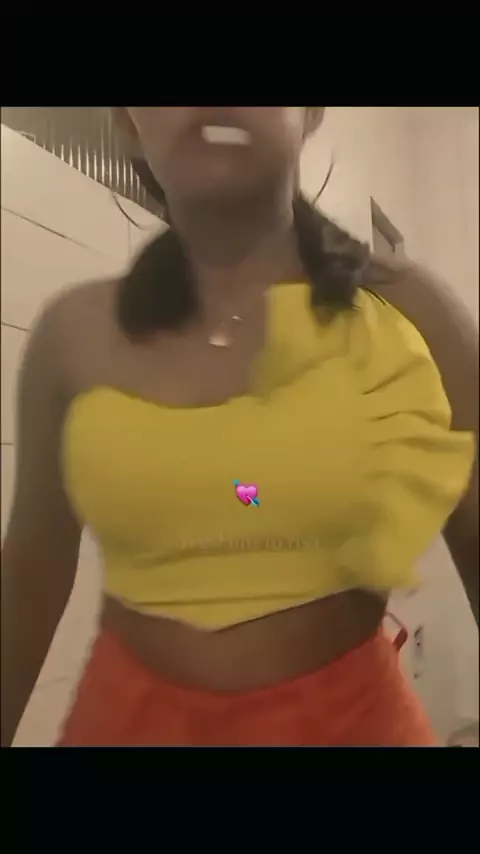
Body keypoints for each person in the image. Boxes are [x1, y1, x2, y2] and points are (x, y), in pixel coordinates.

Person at [1, 107, 477, 747]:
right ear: (127, 123)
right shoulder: (70, 336)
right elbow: (26, 587)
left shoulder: (414, 316)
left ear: (311, 112)